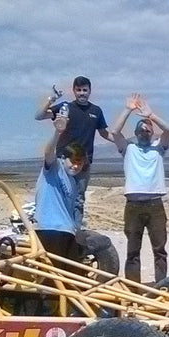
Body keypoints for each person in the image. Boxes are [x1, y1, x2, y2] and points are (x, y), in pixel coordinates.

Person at [110, 94, 169, 284]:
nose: (144, 133)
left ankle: (161, 288)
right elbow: (114, 131)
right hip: (133, 206)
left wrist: (151, 115)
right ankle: (133, 291)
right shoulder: (129, 149)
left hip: (155, 204)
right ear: (136, 134)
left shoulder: (158, 148)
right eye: (141, 130)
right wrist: (128, 109)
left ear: (152, 134)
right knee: (132, 250)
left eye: (148, 131)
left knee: (160, 250)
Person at [34, 76, 110, 225]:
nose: (82, 93)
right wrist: (51, 99)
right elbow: (39, 116)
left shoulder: (96, 111)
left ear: (89, 91)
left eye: (85, 90)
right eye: (79, 90)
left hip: (83, 163)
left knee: (78, 199)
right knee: (61, 194)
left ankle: (75, 231)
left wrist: (124, 143)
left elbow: (104, 133)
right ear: (74, 91)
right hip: (64, 161)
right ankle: (58, 225)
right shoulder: (65, 108)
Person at [33, 109, 87, 262]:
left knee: (73, 278)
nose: (75, 166)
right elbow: (49, 152)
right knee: (52, 279)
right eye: (73, 162)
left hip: (66, 231)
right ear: (64, 159)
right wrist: (57, 132)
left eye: (79, 163)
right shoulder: (54, 168)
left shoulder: (74, 183)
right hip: (48, 230)